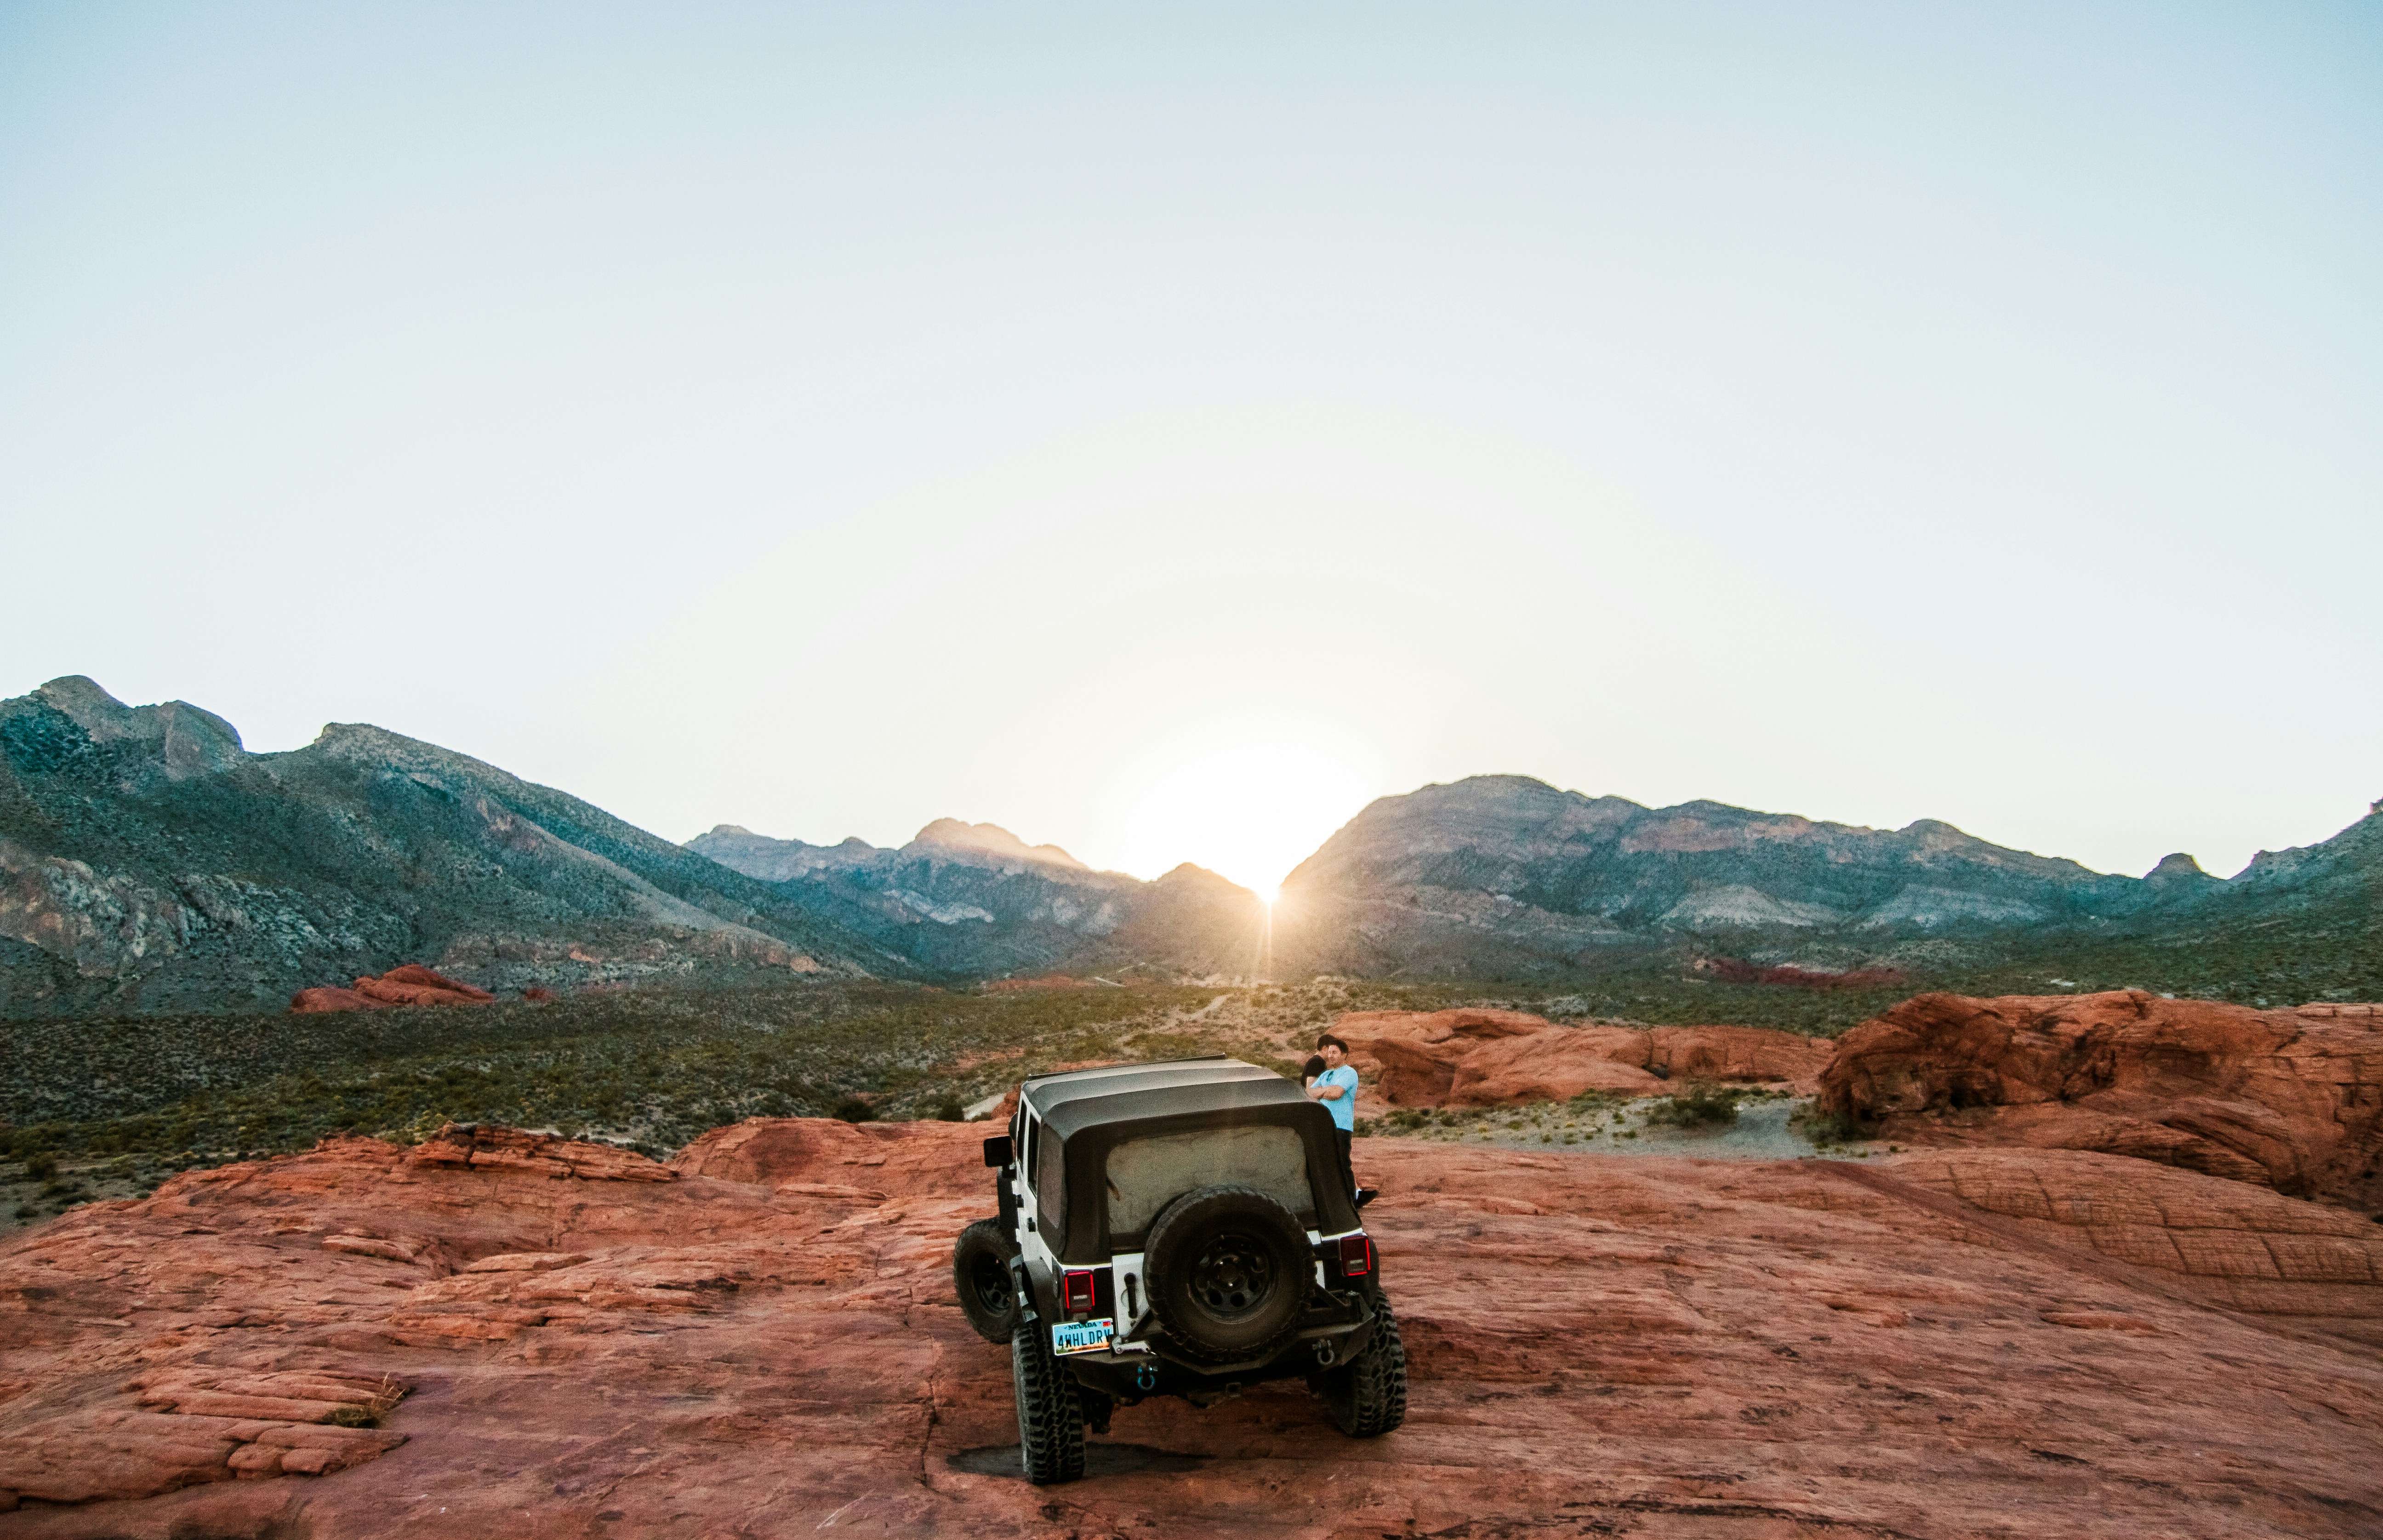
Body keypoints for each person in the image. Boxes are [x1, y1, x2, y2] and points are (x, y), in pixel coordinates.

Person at [1303, 1034, 1374, 1207]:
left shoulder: (1350, 1073)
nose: (1330, 1056)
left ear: (1344, 1054)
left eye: (1334, 1052)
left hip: (1341, 1125)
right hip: (1324, 1125)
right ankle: (1334, 1201)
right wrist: (1327, 1090)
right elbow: (1308, 1094)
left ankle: (1353, 1201)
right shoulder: (1327, 1074)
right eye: (1329, 1052)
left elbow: (1337, 1094)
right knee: (1324, 1163)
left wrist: (1322, 1091)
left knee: (1342, 1163)